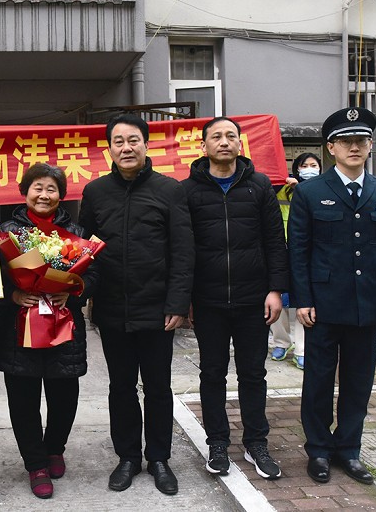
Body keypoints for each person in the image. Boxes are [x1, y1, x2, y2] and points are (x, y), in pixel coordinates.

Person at [289, 107, 376, 485]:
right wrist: (303, 299)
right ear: (331, 148)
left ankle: (349, 449)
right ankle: (319, 449)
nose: (354, 147)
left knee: (359, 381)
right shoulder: (309, 192)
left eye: (361, 140)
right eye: (346, 141)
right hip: (323, 304)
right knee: (319, 381)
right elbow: (298, 251)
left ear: (370, 145)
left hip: (368, 303)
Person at [78, 114, 194, 495]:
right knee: (121, 387)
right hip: (112, 308)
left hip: (158, 310)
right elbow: (83, 251)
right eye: (118, 142)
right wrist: (84, 294)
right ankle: (127, 457)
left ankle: (159, 458)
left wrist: (178, 302)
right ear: (109, 148)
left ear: (146, 144)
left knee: (158, 387)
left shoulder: (170, 190)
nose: (126, 148)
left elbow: (183, 251)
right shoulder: (95, 192)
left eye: (133, 141)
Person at [182, 116, 289, 481]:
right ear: (204, 146)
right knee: (212, 374)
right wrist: (186, 298)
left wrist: (275, 289)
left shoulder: (259, 185)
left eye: (231, 135)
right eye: (217, 136)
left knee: (253, 374)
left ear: (240, 143)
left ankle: (256, 443)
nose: (224, 141)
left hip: (253, 299)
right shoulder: (188, 191)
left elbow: (275, 241)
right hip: (208, 300)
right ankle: (217, 443)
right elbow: (183, 248)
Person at [0, 163, 91, 499]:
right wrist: (13, 294)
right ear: (25, 191)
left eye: (51, 189)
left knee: (65, 395)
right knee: (23, 399)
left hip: (64, 327)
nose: (44, 195)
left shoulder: (76, 232)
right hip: (18, 331)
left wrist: (73, 290)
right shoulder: (5, 233)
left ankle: (55, 448)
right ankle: (36, 464)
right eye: (38, 187)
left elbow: (94, 275)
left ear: (61, 195)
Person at [270, 153, 322, 370]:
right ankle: (281, 342)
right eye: (304, 165)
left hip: (308, 252)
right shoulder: (281, 189)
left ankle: (302, 349)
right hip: (282, 250)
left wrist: (301, 188)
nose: (309, 169)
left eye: (313, 165)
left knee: (304, 300)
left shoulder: (322, 190)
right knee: (278, 299)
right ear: (296, 169)